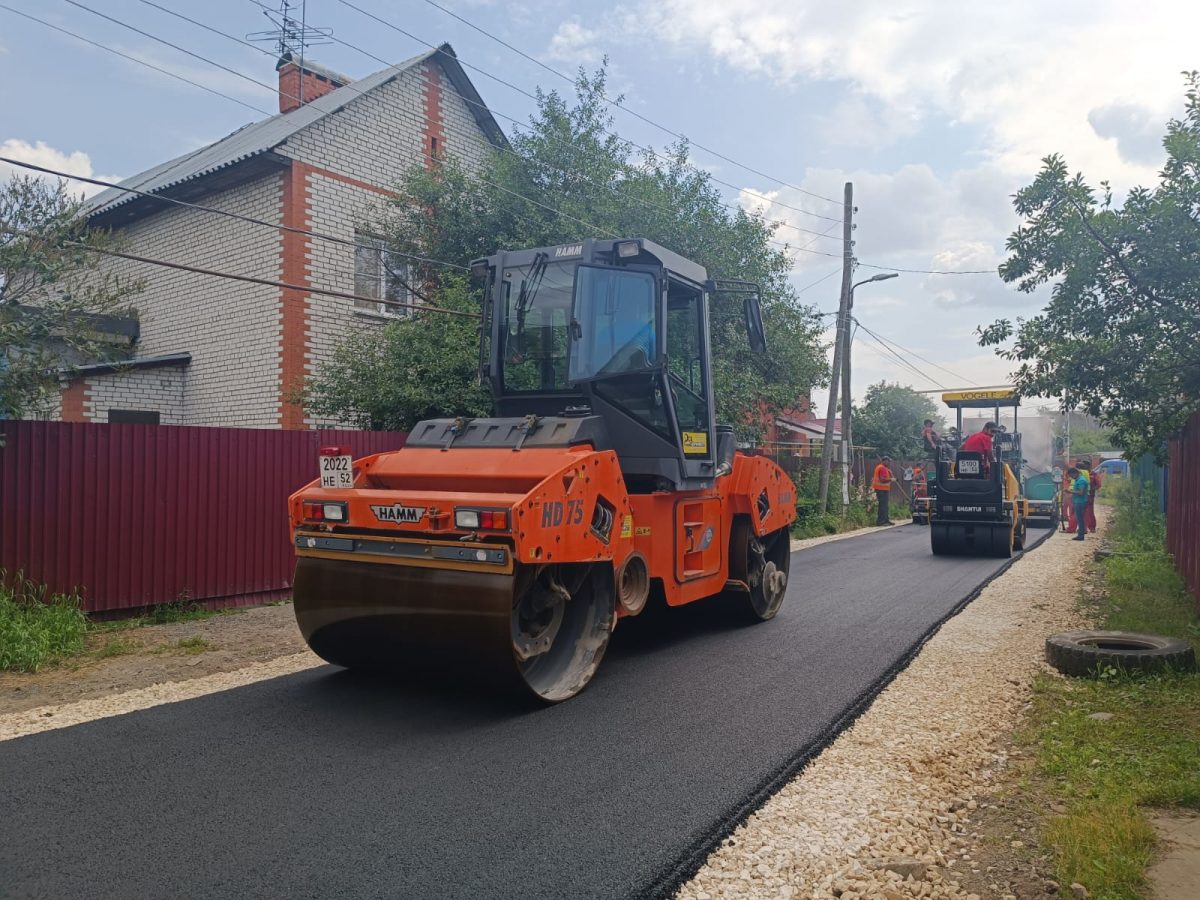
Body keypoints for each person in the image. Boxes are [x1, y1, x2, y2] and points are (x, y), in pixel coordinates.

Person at [1067, 466, 1089, 540]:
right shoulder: (1078, 480)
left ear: (1075, 473)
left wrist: (1070, 491)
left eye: (1071, 475)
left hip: (1080, 502)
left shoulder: (1081, 481)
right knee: (1080, 519)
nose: (1071, 477)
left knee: (1080, 519)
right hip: (1078, 501)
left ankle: (1081, 535)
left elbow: (1081, 492)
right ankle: (1080, 534)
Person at [872, 454, 895, 526]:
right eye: (888, 461)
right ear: (884, 461)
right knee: (882, 506)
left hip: (882, 489)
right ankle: (881, 521)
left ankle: (886, 520)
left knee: (884, 505)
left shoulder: (882, 467)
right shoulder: (882, 468)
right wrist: (891, 479)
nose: (889, 463)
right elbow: (882, 480)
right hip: (881, 489)